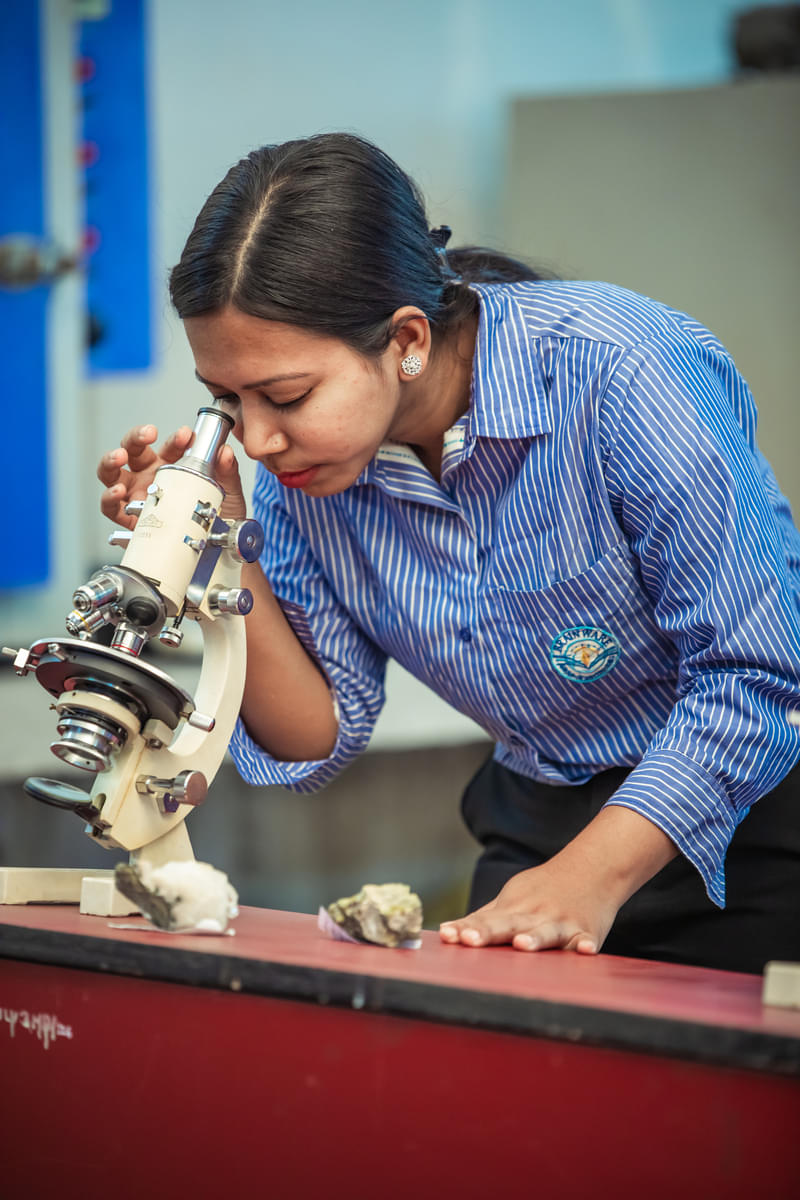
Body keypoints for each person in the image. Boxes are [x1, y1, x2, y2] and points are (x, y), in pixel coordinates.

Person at [97, 133, 800, 974]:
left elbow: (757, 675)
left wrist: (587, 879)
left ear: (405, 340)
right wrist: (222, 546)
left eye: (285, 395)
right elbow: (312, 735)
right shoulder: (306, 472)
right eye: (225, 400)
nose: (256, 438)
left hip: (757, 826)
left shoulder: (622, 372)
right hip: (536, 825)